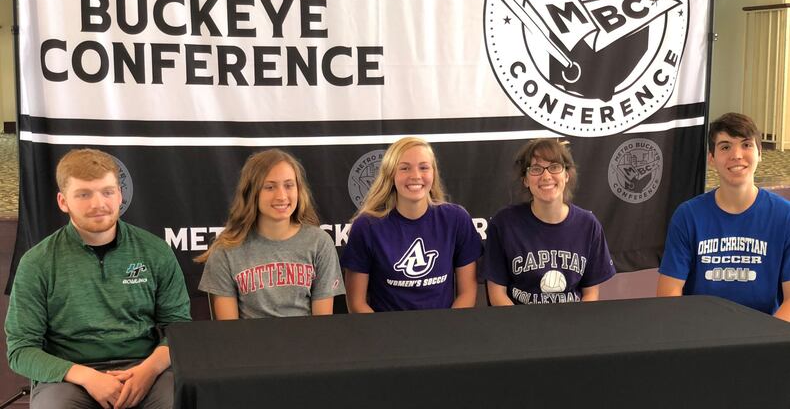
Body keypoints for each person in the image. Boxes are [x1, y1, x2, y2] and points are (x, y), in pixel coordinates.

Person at [4, 148, 191, 409]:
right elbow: (21, 350)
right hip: (70, 377)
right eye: (83, 194)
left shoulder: (155, 251)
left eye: (107, 192)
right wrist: (87, 377)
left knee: (182, 401)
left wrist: (148, 371)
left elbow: (179, 329)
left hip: (145, 370)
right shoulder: (37, 262)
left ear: (120, 195)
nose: (98, 204)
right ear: (62, 201)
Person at [657, 112, 790, 320]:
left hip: (765, 337)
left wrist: (764, 345)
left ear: (760, 152)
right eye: (725, 147)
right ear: (711, 158)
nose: (736, 155)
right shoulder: (688, 216)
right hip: (701, 337)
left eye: (746, 145)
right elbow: (668, 294)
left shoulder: (785, 216)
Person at [196, 149, 344, 319]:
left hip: (306, 343)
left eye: (289, 185)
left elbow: (322, 327)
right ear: (252, 193)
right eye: (269, 187)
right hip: (248, 344)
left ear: (299, 190)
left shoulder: (319, 243)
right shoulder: (225, 251)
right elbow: (229, 333)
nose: (281, 196)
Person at [341, 137, 482, 312]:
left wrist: (447, 332)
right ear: (391, 174)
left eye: (424, 167)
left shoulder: (456, 219)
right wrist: (384, 337)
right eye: (405, 168)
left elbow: (467, 293)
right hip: (384, 334)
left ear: (433, 173)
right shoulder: (367, 226)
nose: (415, 176)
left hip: (444, 332)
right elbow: (356, 304)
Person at [481, 139, 615, 305]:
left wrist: (572, 327)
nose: (546, 176)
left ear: (566, 175)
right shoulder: (504, 224)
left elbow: (591, 294)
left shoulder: (588, 225)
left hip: (571, 324)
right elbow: (497, 295)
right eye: (536, 169)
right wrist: (524, 329)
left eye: (554, 167)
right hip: (518, 325)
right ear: (525, 180)